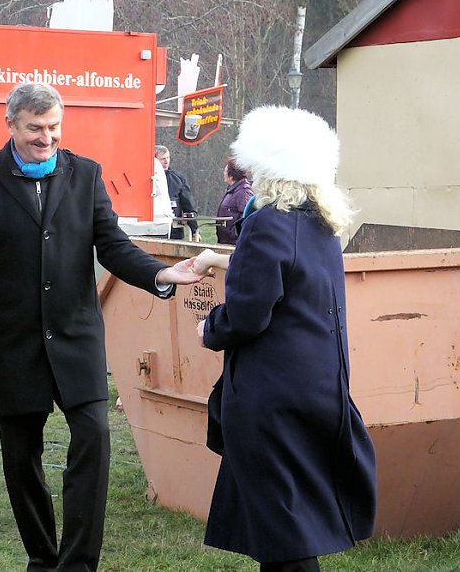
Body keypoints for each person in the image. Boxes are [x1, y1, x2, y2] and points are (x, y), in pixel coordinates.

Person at [0, 82, 203, 572]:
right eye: (35, 128)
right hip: (14, 346)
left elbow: (113, 245)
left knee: (94, 440)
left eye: (54, 127)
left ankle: (78, 564)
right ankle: (42, 559)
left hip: (77, 340)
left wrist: (161, 274)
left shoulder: (85, 175)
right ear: (11, 125)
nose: (47, 138)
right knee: (22, 460)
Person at [191, 106, 377, 572]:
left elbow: (249, 314)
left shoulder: (268, 223)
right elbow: (282, 280)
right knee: (287, 522)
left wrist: (210, 328)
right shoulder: (322, 225)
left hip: (272, 396)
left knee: (282, 534)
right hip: (318, 388)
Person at [154, 145, 201, 242]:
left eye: (168, 157)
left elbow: (188, 205)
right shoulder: (147, 179)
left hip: (175, 231)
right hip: (153, 229)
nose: (166, 161)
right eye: (162, 159)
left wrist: (194, 230)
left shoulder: (178, 178)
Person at [215, 157, 253, 244]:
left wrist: (234, 233)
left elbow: (246, 216)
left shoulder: (244, 191)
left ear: (231, 176)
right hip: (226, 241)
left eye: (225, 171)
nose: (224, 173)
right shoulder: (232, 190)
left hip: (235, 242)